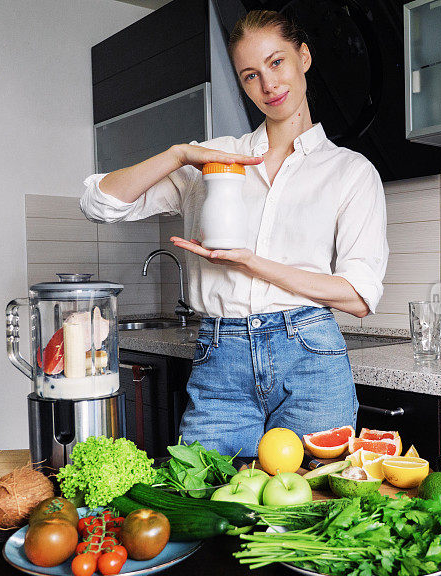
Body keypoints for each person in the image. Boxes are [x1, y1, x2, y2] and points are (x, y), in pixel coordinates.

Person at [80, 10, 388, 456]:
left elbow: (359, 297)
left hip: (311, 359)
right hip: (221, 357)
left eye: (277, 62)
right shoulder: (211, 159)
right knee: (204, 499)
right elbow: (99, 203)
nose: (269, 85)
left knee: (311, 510)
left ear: (303, 57)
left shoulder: (350, 172)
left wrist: (251, 262)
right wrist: (179, 154)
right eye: (250, 75)